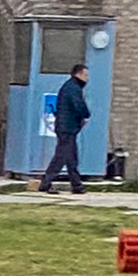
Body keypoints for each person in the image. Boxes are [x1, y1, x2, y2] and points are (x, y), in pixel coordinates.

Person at [38, 63, 93, 195]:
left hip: (66, 126)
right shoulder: (73, 88)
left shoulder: (69, 87)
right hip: (67, 128)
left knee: (71, 157)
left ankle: (77, 185)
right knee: (62, 157)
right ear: (78, 74)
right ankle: (46, 183)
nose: (87, 78)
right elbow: (78, 105)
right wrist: (86, 115)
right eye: (85, 75)